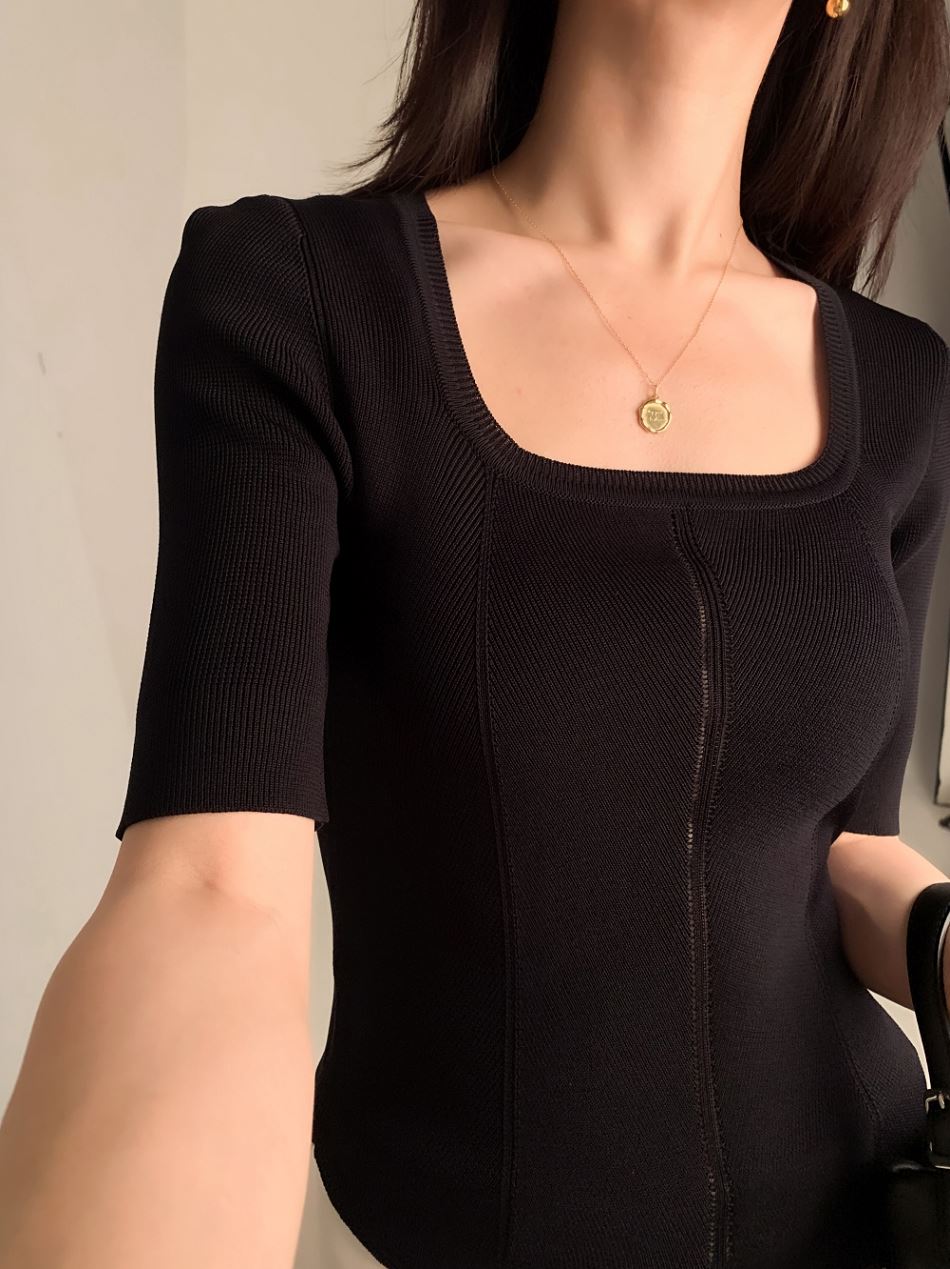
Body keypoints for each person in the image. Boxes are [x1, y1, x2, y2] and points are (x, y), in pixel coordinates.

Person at [2, 0, 950, 1266]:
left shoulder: (901, 386)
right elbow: (209, 887)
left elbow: (844, 844)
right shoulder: (303, 299)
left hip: (872, 1218)